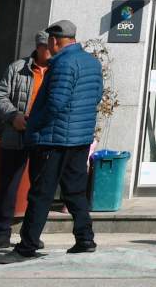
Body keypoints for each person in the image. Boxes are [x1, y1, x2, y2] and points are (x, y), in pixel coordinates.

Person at [9, 20, 103, 259]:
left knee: (41, 194)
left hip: (54, 139)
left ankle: (26, 247)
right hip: (80, 139)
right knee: (75, 191)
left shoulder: (62, 63)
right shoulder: (92, 62)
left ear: (54, 40)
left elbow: (56, 103)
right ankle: (85, 239)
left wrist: (34, 124)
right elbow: (96, 96)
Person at [0, 31, 52, 252]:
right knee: (8, 186)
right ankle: (1, 235)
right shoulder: (17, 68)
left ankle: (30, 236)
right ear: (39, 47)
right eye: (47, 48)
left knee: (39, 188)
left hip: (43, 136)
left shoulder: (57, 71)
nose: (52, 52)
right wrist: (13, 116)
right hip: (16, 133)